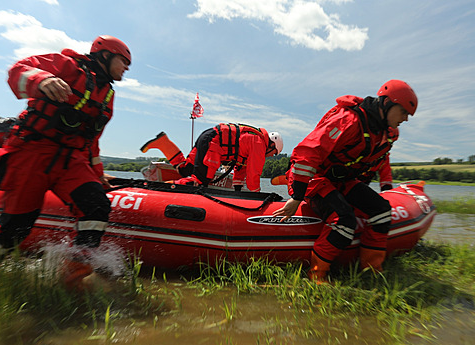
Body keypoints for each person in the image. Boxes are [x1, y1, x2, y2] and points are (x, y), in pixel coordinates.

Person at [0, 35, 131, 290]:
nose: (126, 68)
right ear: (105, 55)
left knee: (96, 206)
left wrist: (98, 174)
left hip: (70, 159)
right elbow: (18, 70)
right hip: (31, 151)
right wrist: (43, 79)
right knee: (16, 227)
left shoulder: (107, 95)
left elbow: (92, 140)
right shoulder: (66, 65)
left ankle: (70, 278)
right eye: (124, 61)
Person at [272, 80, 418, 282]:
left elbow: (380, 162)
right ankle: (316, 274)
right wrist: (296, 196)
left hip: (340, 181)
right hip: (315, 178)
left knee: (382, 210)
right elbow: (308, 152)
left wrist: (383, 188)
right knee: (343, 219)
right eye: (403, 112)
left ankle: (371, 271)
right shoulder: (349, 120)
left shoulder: (382, 133)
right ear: (387, 104)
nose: (406, 119)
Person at [140, 123, 283, 192]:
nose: (271, 156)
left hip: (208, 137)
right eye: (274, 153)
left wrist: (238, 191)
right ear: (271, 145)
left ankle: (164, 143)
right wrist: (257, 196)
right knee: (199, 181)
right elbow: (254, 174)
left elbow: (241, 171)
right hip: (213, 144)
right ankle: (157, 189)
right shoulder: (259, 144)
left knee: (185, 170)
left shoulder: (252, 142)